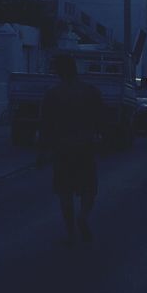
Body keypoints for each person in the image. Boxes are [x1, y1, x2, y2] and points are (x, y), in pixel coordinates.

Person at [38, 53, 104, 245]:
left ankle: (70, 232)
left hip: (62, 147)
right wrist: (99, 136)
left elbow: (45, 124)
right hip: (85, 146)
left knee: (64, 191)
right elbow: (100, 117)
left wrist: (42, 151)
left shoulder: (52, 94)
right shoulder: (90, 91)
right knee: (89, 189)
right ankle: (83, 216)